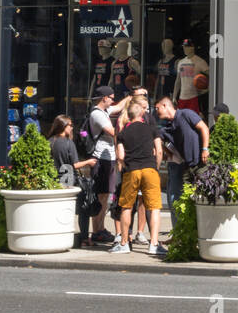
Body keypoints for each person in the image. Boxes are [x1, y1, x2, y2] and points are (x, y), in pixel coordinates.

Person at [111, 96, 165, 256]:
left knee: (126, 206)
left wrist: (126, 165)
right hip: (149, 169)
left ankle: (124, 243)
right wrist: (155, 165)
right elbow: (159, 150)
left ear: (129, 114)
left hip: (132, 170)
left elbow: (120, 155)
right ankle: (154, 244)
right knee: (154, 207)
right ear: (141, 114)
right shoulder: (151, 129)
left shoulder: (123, 132)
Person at [48, 115, 96, 247]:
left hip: (54, 179)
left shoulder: (50, 141)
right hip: (68, 178)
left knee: (60, 209)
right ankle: (85, 239)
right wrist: (88, 162)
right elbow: (73, 165)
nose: (72, 127)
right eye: (70, 125)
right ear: (63, 126)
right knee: (83, 209)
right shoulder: (68, 143)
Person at [154, 95, 209, 211]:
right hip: (187, 167)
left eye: (157, 108)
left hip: (200, 164)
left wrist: (205, 149)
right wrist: (167, 153)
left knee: (203, 197)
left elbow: (204, 128)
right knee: (186, 200)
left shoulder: (186, 114)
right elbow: (160, 143)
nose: (156, 111)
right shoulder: (167, 128)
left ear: (165, 105)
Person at [88, 87, 121, 245]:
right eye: (111, 98)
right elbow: (112, 132)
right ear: (104, 98)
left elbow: (119, 106)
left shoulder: (105, 111)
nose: (113, 101)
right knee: (101, 195)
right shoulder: (97, 114)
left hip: (108, 158)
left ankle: (100, 229)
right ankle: (97, 231)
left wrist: (132, 97)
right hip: (102, 158)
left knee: (105, 195)